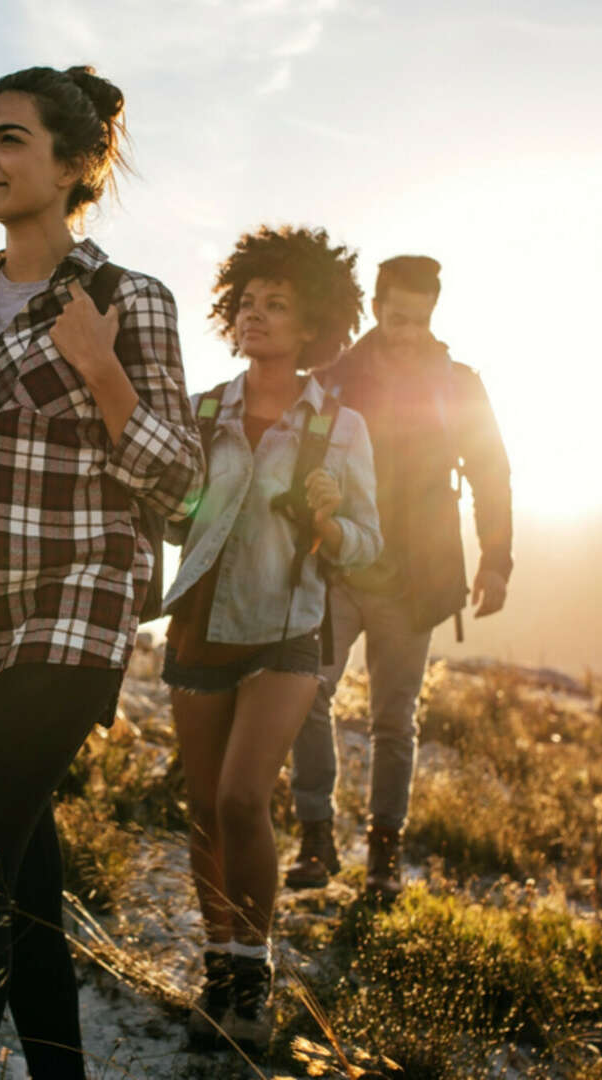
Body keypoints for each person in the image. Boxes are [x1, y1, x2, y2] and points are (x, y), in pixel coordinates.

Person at [0, 65, 205, 1079]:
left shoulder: (126, 298)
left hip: (79, 600)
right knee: (19, 869)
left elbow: (183, 483)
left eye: (12, 138)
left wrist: (103, 371)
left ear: (75, 166)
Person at [163, 226, 381, 1049]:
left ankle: (251, 988)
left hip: (288, 631)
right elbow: (172, 513)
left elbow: (371, 541)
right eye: (248, 303)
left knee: (241, 798)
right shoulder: (203, 411)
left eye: (277, 305)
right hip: (197, 625)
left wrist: (329, 523)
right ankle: (217, 973)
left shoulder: (341, 428)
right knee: (200, 807)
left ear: (314, 327)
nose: (256, 316)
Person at [284, 255, 513, 899]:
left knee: (394, 719)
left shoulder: (459, 384)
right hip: (335, 564)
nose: (407, 329)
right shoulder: (335, 376)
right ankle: (315, 837)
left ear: (433, 313)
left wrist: (496, 560)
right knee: (306, 694)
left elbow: (493, 472)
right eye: (396, 315)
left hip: (418, 577)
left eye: (420, 318)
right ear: (378, 306)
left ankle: (384, 855)